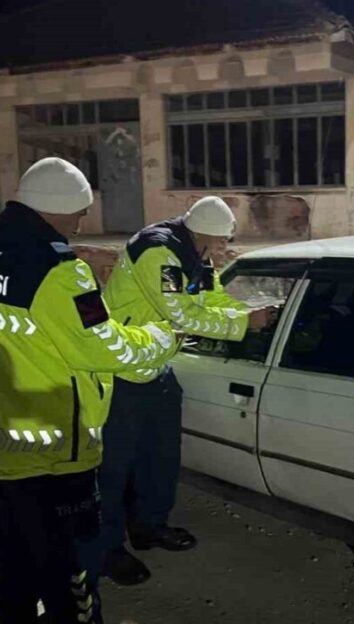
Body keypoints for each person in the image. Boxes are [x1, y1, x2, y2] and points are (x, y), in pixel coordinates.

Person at [0, 157, 181, 624]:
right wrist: (162, 337)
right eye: (80, 212)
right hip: (55, 456)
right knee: (73, 582)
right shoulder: (59, 271)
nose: (81, 222)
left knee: (12, 570)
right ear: (60, 208)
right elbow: (105, 349)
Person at [98, 196, 274, 585]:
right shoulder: (159, 254)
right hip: (121, 370)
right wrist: (244, 325)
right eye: (221, 241)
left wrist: (248, 314)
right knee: (113, 468)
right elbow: (181, 314)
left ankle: (149, 526)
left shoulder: (195, 255)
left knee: (160, 456)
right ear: (205, 234)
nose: (224, 248)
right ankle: (107, 549)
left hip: (156, 367)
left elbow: (210, 298)